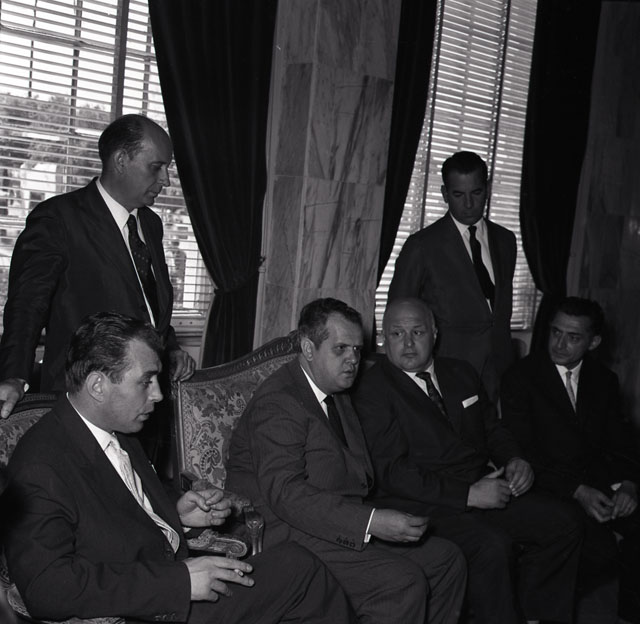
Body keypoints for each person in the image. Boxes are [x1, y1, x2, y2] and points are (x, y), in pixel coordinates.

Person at [3, 312, 356, 624]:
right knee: (302, 575)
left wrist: (178, 514)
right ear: (98, 385)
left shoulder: (116, 428)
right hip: (143, 609)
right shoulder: (41, 464)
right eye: (146, 381)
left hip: (168, 582)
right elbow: (46, 588)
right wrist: (180, 582)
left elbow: (121, 507)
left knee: (298, 566)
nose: (158, 395)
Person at [226, 298, 466, 624]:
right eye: (340, 349)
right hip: (285, 532)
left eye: (356, 349)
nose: (352, 359)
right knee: (402, 582)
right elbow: (285, 494)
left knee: (446, 560)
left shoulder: (336, 390)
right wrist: (371, 522)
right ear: (308, 348)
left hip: (333, 521)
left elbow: (354, 473)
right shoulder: (279, 402)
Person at [353, 297, 583, 624]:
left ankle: (536, 616)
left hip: (485, 486)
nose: (407, 343)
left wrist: (515, 458)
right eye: (396, 333)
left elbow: (492, 428)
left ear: (435, 333)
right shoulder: (372, 389)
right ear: (383, 339)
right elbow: (392, 471)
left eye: (417, 332)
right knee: (491, 546)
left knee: (564, 522)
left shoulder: (460, 371)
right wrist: (468, 495)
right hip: (423, 501)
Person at [0, 114, 195, 419]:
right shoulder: (58, 219)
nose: (166, 180)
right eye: (156, 167)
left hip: (145, 402)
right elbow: (27, 306)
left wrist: (170, 349)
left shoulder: (151, 224)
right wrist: (14, 376)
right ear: (121, 160)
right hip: (84, 402)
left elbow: (147, 303)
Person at [501, 297, 640, 624]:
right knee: (597, 550)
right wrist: (577, 491)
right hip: (546, 484)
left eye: (573, 337)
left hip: (597, 482)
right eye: (556, 332)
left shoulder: (604, 380)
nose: (560, 344)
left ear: (594, 342)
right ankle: (531, 607)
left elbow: (621, 442)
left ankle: (629, 615)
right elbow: (522, 451)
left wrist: (629, 485)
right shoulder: (520, 376)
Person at [388, 151, 516, 401]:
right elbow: (398, 315)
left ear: (488, 189)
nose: (468, 204)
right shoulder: (422, 245)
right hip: (447, 372)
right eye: (458, 195)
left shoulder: (506, 240)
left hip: (499, 370)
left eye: (476, 193)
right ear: (445, 194)